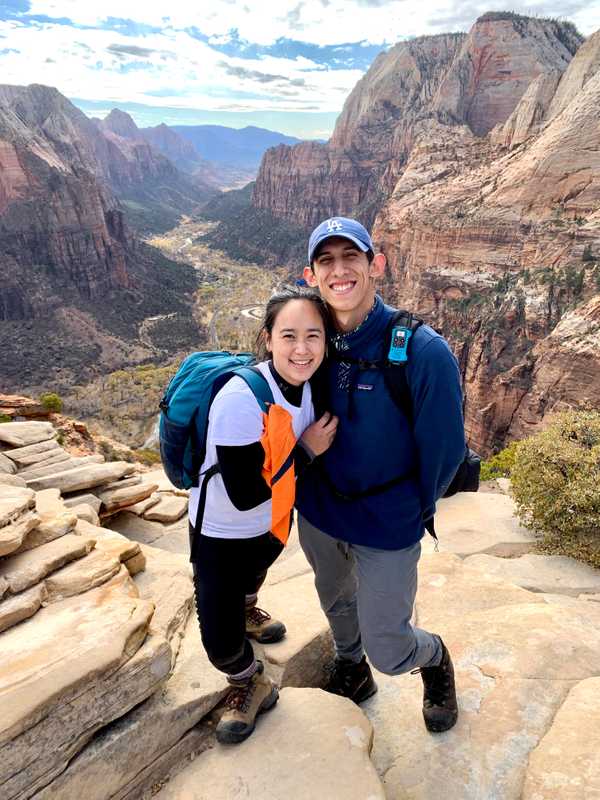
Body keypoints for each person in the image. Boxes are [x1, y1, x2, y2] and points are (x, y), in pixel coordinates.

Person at [297, 217, 465, 733]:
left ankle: (433, 659)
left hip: (387, 519)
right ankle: (353, 670)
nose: (339, 270)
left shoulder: (422, 350)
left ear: (377, 265)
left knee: (388, 646)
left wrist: (412, 507)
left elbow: (445, 450)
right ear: (311, 275)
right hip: (321, 511)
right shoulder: (308, 340)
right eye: (327, 260)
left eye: (352, 257)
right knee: (336, 601)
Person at [189, 286, 338, 745]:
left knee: (255, 575)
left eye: (313, 336)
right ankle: (247, 680)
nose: (301, 348)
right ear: (267, 339)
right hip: (219, 531)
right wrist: (307, 451)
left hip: (272, 525)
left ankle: (248, 608)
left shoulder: (313, 384)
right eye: (288, 335)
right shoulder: (241, 398)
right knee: (218, 641)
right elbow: (244, 493)